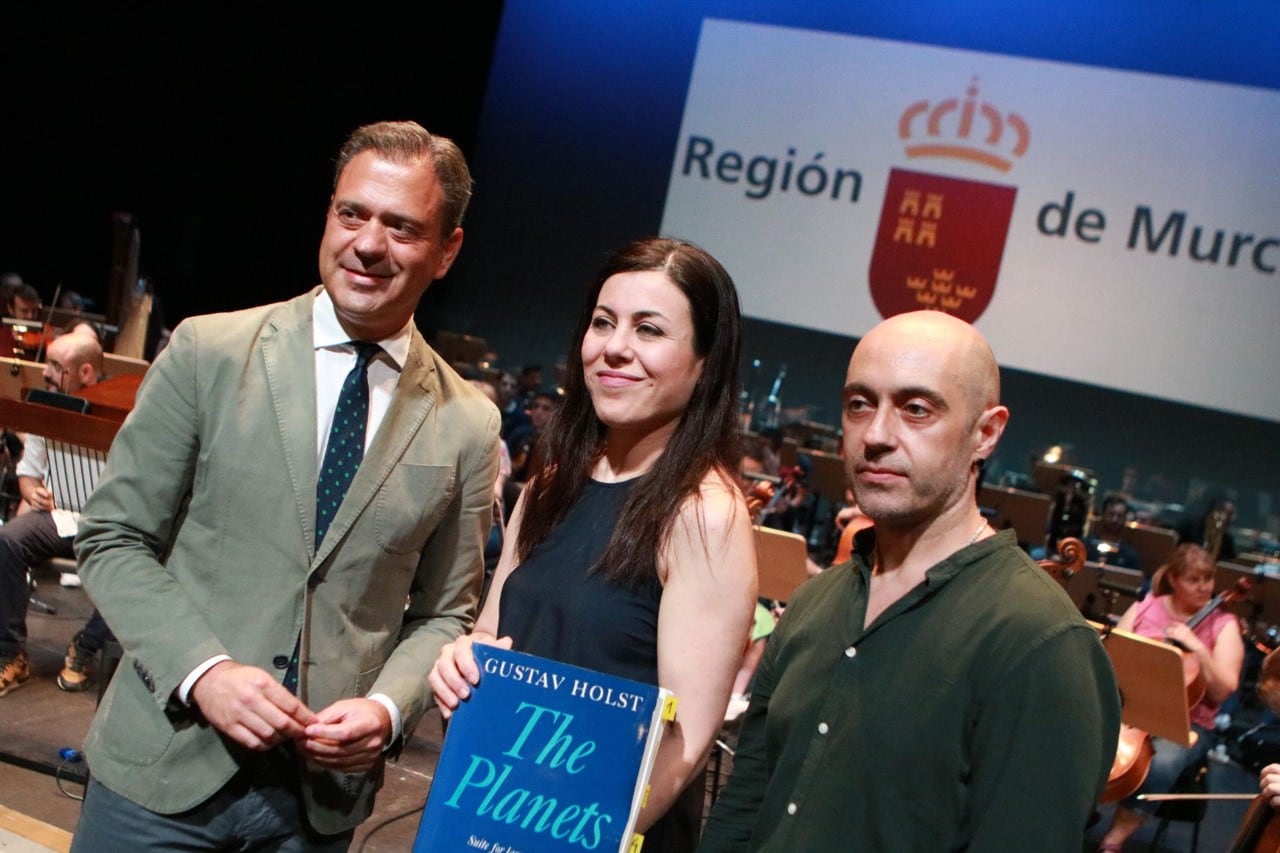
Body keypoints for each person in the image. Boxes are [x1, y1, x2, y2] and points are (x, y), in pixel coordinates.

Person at [69, 120, 500, 851]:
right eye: (352, 213)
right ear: (328, 213)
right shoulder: (208, 352)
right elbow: (113, 537)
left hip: (316, 808)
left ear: (447, 249)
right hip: (160, 775)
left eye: (401, 226)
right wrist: (202, 671)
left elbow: (446, 613)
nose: (368, 243)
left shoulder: (468, 422)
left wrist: (388, 711)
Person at [700, 310, 1121, 851]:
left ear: (986, 434)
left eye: (916, 410)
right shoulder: (815, 601)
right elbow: (744, 807)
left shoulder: (1041, 643)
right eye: (859, 405)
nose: (875, 435)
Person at [430, 236, 758, 851]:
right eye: (603, 322)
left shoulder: (703, 515)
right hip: (495, 815)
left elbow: (683, 745)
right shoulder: (552, 483)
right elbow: (489, 637)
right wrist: (461, 664)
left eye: (649, 330)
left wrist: (574, 837)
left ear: (705, 363)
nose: (615, 348)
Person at [1097, 543, 1245, 850]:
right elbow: (1114, 659)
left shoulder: (1223, 624)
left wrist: (1199, 648)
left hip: (1188, 725)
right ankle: (1075, 812)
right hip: (1131, 713)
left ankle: (1114, 840)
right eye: (1194, 580)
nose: (1205, 587)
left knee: (1161, 762)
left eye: (1208, 579)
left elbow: (1223, 689)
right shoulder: (1146, 607)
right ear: (1174, 580)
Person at [0, 332, 106, 696]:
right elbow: (27, 474)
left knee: (146, 557)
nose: (45, 373)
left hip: (109, 526)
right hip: (59, 519)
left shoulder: (121, 415)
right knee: (9, 539)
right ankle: (10, 654)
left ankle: (86, 646)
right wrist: (33, 491)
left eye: (55, 367)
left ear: (86, 372)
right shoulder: (49, 410)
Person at [1176, 490, 1238, 562]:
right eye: (1220, 510)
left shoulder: (1228, 541)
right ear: (1211, 511)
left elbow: (1228, 565)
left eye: (1230, 514)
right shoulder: (1189, 526)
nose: (1224, 517)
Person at [1086, 493, 1142, 570]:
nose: (1114, 520)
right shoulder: (1085, 546)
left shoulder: (1130, 556)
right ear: (1103, 515)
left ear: (1125, 519)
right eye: (1111, 514)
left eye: (1119, 516)